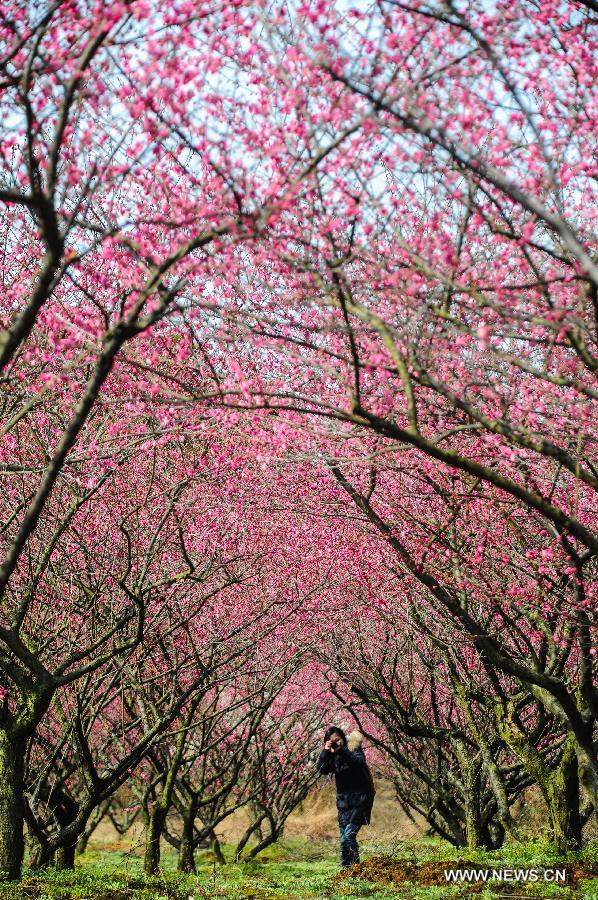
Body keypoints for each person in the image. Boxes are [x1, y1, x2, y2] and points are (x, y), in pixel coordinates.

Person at [315, 726, 375, 868]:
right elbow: (321, 769)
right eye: (333, 741)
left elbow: (358, 762)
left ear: (343, 737)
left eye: (338, 739)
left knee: (349, 836)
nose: (337, 743)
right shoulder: (331, 755)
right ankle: (344, 871)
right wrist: (325, 751)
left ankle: (356, 870)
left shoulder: (353, 747)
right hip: (344, 801)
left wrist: (342, 750)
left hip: (361, 798)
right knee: (343, 840)